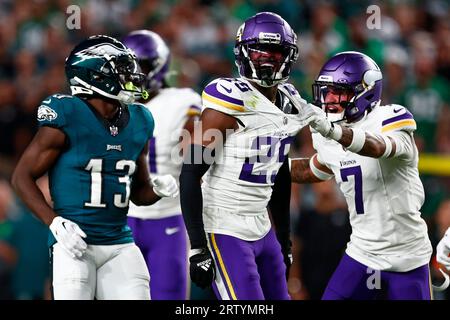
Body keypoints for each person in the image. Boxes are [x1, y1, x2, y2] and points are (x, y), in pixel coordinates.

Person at [11, 35, 179, 300]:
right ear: (94, 75)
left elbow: (139, 194)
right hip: (75, 243)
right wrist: (54, 222)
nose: (132, 76)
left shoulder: (140, 119)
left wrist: (157, 188)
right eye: (121, 70)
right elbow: (21, 177)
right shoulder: (67, 113)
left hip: (120, 243)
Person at [179, 12, 307, 300]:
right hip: (224, 226)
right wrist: (197, 246)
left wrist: (284, 238)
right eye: (261, 51)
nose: (268, 60)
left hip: (261, 225)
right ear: (243, 53)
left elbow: (280, 175)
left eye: (277, 53)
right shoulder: (229, 101)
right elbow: (190, 173)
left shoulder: (288, 102)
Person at [288, 51, 433, 300]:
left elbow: (377, 147)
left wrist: (333, 132)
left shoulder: (390, 118)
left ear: (365, 93)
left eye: (339, 92)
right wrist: (258, 165)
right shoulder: (329, 134)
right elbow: (314, 169)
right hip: (361, 253)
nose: (329, 99)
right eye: (326, 91)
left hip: (408, 258)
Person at [122, 30, 202, 300]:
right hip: (122, 218)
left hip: (168, 218)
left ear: (157, 66)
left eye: (140, 66)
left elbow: (198, 147)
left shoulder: (181, 101)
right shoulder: (112, 104)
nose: (133, 73)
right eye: (127, 66)